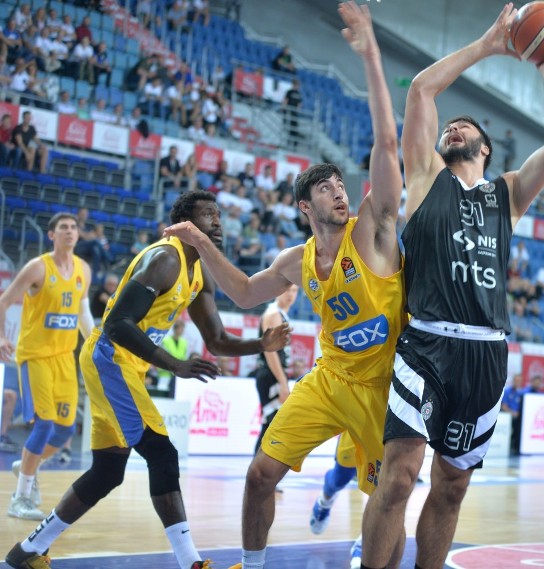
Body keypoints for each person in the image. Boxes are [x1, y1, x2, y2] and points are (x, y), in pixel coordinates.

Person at [165, 5, 406, 568]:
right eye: (326, 189)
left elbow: (388, 147)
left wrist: (371, 54)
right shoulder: (296, 260)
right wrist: (203, 246)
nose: (340, 194)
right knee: (258, 476)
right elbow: (246, 293)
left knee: (385, 507)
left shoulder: (369, 231)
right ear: (305, 207)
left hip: (382, 388)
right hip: (329, 380)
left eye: (342, 186)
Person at [360, 4, 544, 568]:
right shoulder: (427, 177)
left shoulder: (506, 194)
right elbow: (421, 95)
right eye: (450, 128)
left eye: (467, 128)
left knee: (451, 485)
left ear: (484, 150)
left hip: (484, 353)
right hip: (425, 342)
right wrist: (487, 45)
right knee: (401, 474)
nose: (454, 127)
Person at [3, 192, 291, 569]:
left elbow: (216, 340)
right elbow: (116, 324)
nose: (217, 222)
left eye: (218, 215)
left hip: (126, 364)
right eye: (208, 215)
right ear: (185, 224)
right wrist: (174, 364)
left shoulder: (199, 270)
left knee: (107, 472)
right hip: (109, 358)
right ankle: (190, 562)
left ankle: (24, 553)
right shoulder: (165, 259)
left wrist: (260, 343)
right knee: (162, 453)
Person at [0, 213, 93, 521]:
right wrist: (1, 337)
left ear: (78, 235)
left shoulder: (84, 270)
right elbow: (4, 301)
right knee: (44, 424)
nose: (69, 231)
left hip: (65, 358)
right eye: (63, 228)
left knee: (66, 428)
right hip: (35, 356)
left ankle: (28, 465)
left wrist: (93, 343)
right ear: (52, 235)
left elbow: (82, 312)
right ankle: (21, 498)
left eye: (73, 227)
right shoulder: (38, 266)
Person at [253, 284, 296, 454]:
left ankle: (259, 470)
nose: (290, 294)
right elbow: (270, 352)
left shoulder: (280, 314)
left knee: (271, 424)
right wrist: (283, 382)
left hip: (274, 374)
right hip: (271, 375)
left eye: (294, 291)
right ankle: (258, 470)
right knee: (271, 425)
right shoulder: (274, 314)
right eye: (287, 290)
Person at [501, 373, 525, 456]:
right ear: (513, 381)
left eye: (519, 381)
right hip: (508, 416)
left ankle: (517, 448)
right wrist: (512, 413)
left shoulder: (521, 393)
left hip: (518, 417)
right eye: (516, 380)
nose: (517, 382)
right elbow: (503, 406)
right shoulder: (507, 391)